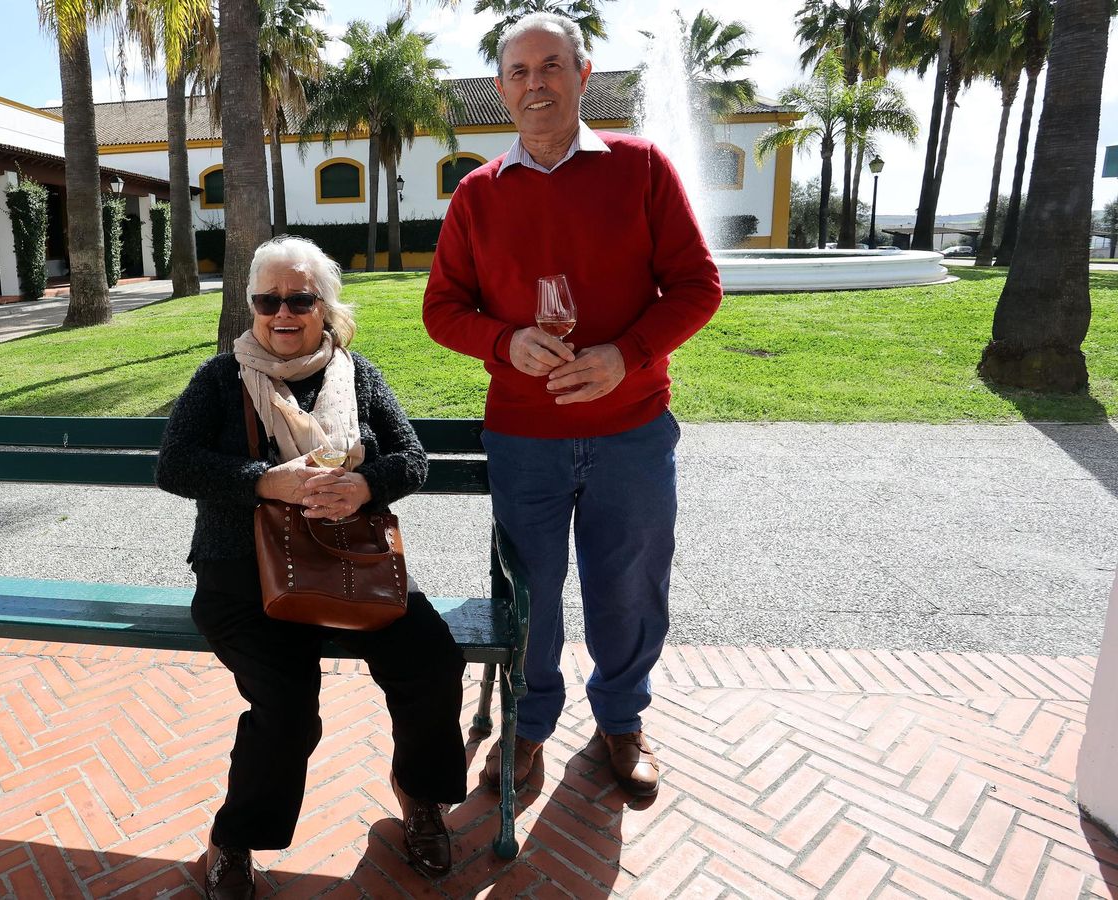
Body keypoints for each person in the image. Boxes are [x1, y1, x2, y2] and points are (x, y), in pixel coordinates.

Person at [422, 12, 722, 800]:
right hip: (526, 436)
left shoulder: (643, 168)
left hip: (632, 432)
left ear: (583, 77)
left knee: (629, 583)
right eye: (518, 72)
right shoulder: (477, 195)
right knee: (529, 593)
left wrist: (625, 356)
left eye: (551, 66)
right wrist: (502, 343)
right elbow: (441, 309)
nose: (535, 84)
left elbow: (698, 286)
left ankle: (622, 722)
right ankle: (528, 728)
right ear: (500, 91)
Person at [157, 236, 468, 898]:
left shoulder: (357, 375)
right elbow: (176, 463)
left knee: (432, 661)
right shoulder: (220, 378)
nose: (283, 313)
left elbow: (411, 458)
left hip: (350, 563)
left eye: (300, 299)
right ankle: (233, 840)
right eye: (268, 300)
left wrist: (363, 486)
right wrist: (265, 482)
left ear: (324, 307)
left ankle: (419, 797)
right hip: (243, 574)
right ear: (251, 307)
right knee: (289, 709)